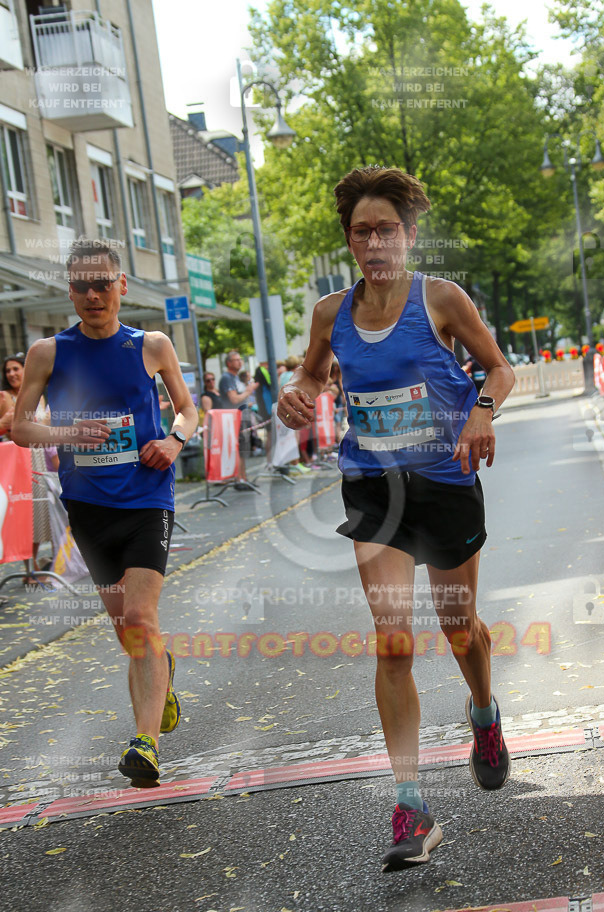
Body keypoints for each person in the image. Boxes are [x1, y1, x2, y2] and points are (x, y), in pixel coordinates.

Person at [278, 166, 515, 873]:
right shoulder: (330, 312)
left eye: (386, 229)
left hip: (444, 483)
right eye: (362, 231)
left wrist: (480, 412)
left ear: (409, 235)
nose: (374, 242)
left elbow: (498, 368)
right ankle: (411, 805)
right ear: (349, 240)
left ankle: (482, 712)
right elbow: (312, 374)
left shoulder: (440, 299)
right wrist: (297, 394)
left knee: (457, 626)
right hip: (374, 488)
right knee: (392, 641)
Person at [11, 237, 198, 788]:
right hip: (88, 507)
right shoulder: (48, 352)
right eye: (82, 286)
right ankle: (161, 670)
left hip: (147, 499)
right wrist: (67, 433)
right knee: (129, 633)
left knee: (140, 617)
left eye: (102, 284)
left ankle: (146, 743)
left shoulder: (152, 345)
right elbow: (20, 428)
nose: (93, 295)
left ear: (121, 286)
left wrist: (173, 441)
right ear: (70, 292)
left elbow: (188, 410)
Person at [0, 353, 54, 573]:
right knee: (24, 511)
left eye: (16, 369)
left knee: (40, 509)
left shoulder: (38, 395)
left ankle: (41, 562)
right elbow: (1, 429)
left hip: (40, 458)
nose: (11, 374)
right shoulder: (4, 398)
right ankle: (30, 567)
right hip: (17, 460)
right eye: (8, 371)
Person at [219, 351, 258, 489]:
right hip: (234, 418)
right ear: (228, 363)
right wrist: (248, 391)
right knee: (238, 449)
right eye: (236, 360)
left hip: (242, 417)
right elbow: (234, 399)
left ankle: (243, 478)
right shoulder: (227, 378)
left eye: (240, 359)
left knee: (243, 449)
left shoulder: (235, 378)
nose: (239, 362)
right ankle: (239, 479)